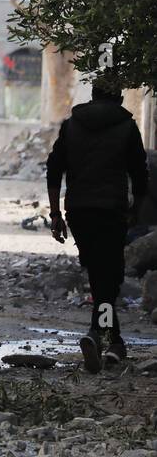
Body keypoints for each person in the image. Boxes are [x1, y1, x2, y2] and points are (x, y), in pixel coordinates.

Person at [46, 80, 149, 372]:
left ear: (92, 96)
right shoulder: (127, 128)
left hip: (79, 212)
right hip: (112, 212)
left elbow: (53, 170)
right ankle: (98, 334)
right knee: (108, 278)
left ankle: (112, 341)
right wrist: (136, 211)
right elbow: (140, 175)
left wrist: (55, 214)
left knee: (100, 276)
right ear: (117, 97)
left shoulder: (71, 125)